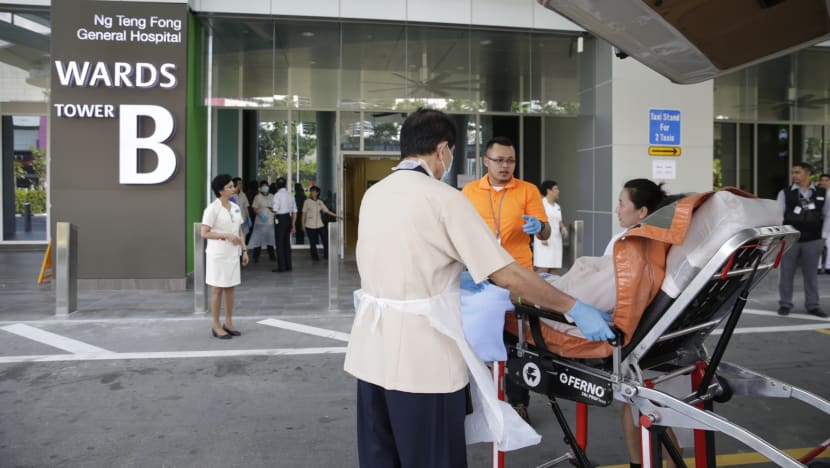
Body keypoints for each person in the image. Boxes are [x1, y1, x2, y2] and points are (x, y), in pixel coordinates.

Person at [343, 108, 614, 468]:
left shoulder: (375, 194)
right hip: (423, 362)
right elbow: (508, 275)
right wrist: (573, 307)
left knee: (381, 458)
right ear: (443, 149)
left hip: (371, 355)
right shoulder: (444, 198)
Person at [462, 136, 551, 423]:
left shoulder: (527, 190)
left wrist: (540, 226)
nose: (505, 166)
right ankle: (473, 402)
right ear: (485, 161)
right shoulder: (469, 192)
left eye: (510, 160)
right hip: (480, 275)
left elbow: (546, 232)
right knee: (471, 337)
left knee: (516, 339)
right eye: (499, 160)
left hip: (518, 275)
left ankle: (518, 402)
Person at [608, 178, 688, 468]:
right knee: (640, 406)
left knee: (646, 407)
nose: (617, 209)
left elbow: (608, 292)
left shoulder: (626, 243)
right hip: (665, 333)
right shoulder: (666, 240)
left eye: (621, 204)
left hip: (633, 337)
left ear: (642, 212)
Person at [777, 162, 829, 317]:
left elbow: (827, 215)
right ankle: (785, 303)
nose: (794, 175)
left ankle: (813, 305)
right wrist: (780, 237)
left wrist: (823, 237)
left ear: (807, 173)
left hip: (813, 239)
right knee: (786, 273)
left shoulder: (822, 193)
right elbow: (779, 216)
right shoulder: (785, 193)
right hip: (790, 239)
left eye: (797, 172)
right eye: (793, 172)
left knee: (811, 275)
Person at [201, 174, 249, 339]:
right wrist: (226, 236)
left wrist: (244, 250)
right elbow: (204, 233)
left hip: (232, 254)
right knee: (217, 289)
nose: (233, 189)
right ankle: (216, 325)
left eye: (232, 186)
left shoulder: (235, 207)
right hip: (218, 255)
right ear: (220, 190)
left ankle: (228, 322)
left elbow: (239, 230)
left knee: (230, 288)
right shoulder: (212, 209)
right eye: (229, 187)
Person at [534, 180, 568, 274]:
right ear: (549, 191)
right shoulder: (541, 203)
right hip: (544, 238)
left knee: (554, 269)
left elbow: (559, 221)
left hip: (556, 240)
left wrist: (563, 227)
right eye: (556, 189)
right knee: (543, 269)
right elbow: (536, 220)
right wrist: (541, 237)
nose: (558, 191)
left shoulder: (557, 206)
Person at [302, 185, 342, 261]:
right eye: (311, 191)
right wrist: (302, 224)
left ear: (317, 193)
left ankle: (326, 255)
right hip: (310, 225)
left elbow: (327, 211)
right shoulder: (307, 202)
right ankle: (315, 257)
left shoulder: (320, 202)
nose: (312, 193)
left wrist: (337, 216)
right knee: (312, 242)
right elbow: (303, 214)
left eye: (314, 191)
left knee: (325, 239)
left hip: (320, 225)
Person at [272, 176, 298, 273]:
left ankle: (281, 266)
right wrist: (293, 224)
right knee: (287, 243)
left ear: (276, 185)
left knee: (280, 243)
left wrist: (271, 209)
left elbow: (275, 209)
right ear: (286, 184)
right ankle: (288, 265)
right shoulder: (290, 195)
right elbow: (295, 211)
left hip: (280, 219)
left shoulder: (277, 195)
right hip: (288, 219)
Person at [247, 180, 276, 263]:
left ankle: (272, 255)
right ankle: (256, 256)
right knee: (258, 240)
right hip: (260, 222)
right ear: (260, 188)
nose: (265, 187)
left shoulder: (272, 196)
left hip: (270, 221)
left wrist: (272, 210)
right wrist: (260, 215)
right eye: (263, 186)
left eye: (266, 186)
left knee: (270, 239)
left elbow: (275, 208)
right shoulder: (257, 197)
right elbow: (254, 208)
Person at [818, 173, 830, 274]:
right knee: (818, 244)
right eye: (822, 180)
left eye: (826, 180)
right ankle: (817, 266)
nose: (824, 182)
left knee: (829, 244)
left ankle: (828, 266)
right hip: (817, 222)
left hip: (829, 221)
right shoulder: (816, 192)